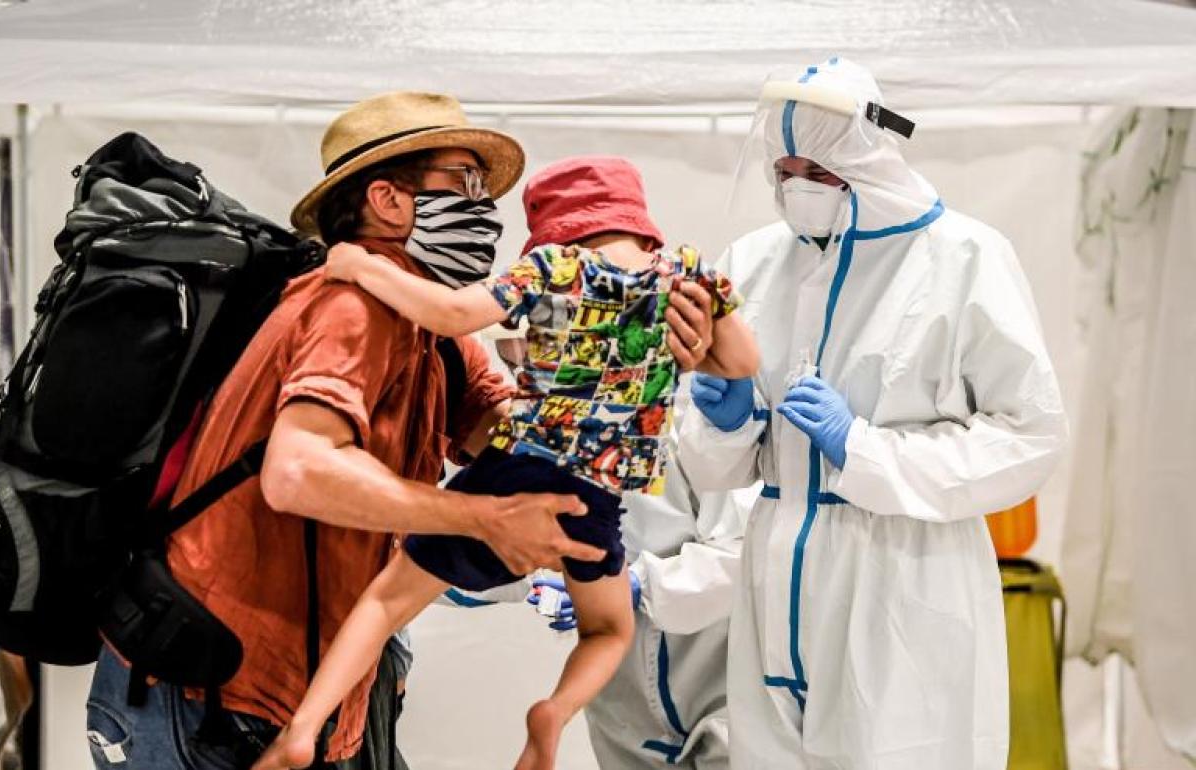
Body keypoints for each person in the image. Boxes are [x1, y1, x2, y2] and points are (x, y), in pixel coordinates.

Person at [83, 92, 646, 770]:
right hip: (211, 693)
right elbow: (298, 472)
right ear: (388, 199)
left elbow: (506, 436)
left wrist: (620, 355)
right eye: (465, 182)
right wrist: (484, 518)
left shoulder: (430, 329)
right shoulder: (352, 306)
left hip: (292, 691)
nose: (484, 206)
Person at [253, 155, 759, 770]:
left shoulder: (555, 268)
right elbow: (743, 362)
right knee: (608, 632)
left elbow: (450, 314)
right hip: (595, 496)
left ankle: (303, 728)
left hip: (517, 468)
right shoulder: (685, 274)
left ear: (556, 230)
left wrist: (362, 267)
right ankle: (553, 713)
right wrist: (697, 346)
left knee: (385, 602)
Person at [678, 58, 1068, 769]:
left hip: (902, 577)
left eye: (818, 171)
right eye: (784, 171)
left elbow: (1029, 436)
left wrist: (861, 450)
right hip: (773, 579)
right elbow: (713, 469)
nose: (797, 188)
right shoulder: (753, 262)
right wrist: (727, 423)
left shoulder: (963, 258)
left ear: (866, 158)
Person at [526, 427, 754, 769]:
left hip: (713, 670)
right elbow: (506, 535)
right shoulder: (547, 434)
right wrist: (533, 578)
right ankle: (556, 713)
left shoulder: (697, 424)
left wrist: (640, 583)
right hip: (622, 687)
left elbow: (745, 549)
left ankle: (557, 712)